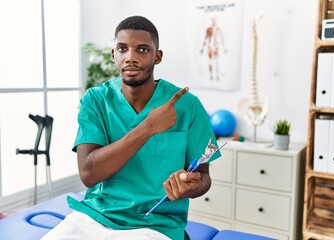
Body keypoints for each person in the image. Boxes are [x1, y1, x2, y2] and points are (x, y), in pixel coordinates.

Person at [41, 15, 220, 240]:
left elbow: (203, 177)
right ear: (113, 54)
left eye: (142, 50)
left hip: (154, 224)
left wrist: (190, 186)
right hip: (94, 217)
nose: (131, 58)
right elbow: (88, 174)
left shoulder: (188, 105)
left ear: (158, 56)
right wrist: (148, 127)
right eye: (123, 49)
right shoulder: (95, 100)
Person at [200, 17, 227, 81]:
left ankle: (217, 75)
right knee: (211, 61)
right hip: (210, 47)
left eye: (215, 20)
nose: (214, 22)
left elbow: (222, 38)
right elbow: (205, 38)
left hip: (216, 47)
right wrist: (202, 48)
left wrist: (224, 47)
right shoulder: (208, 29)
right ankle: (211, 75)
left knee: (217, 62)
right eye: (213, 20)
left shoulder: (218, 29)